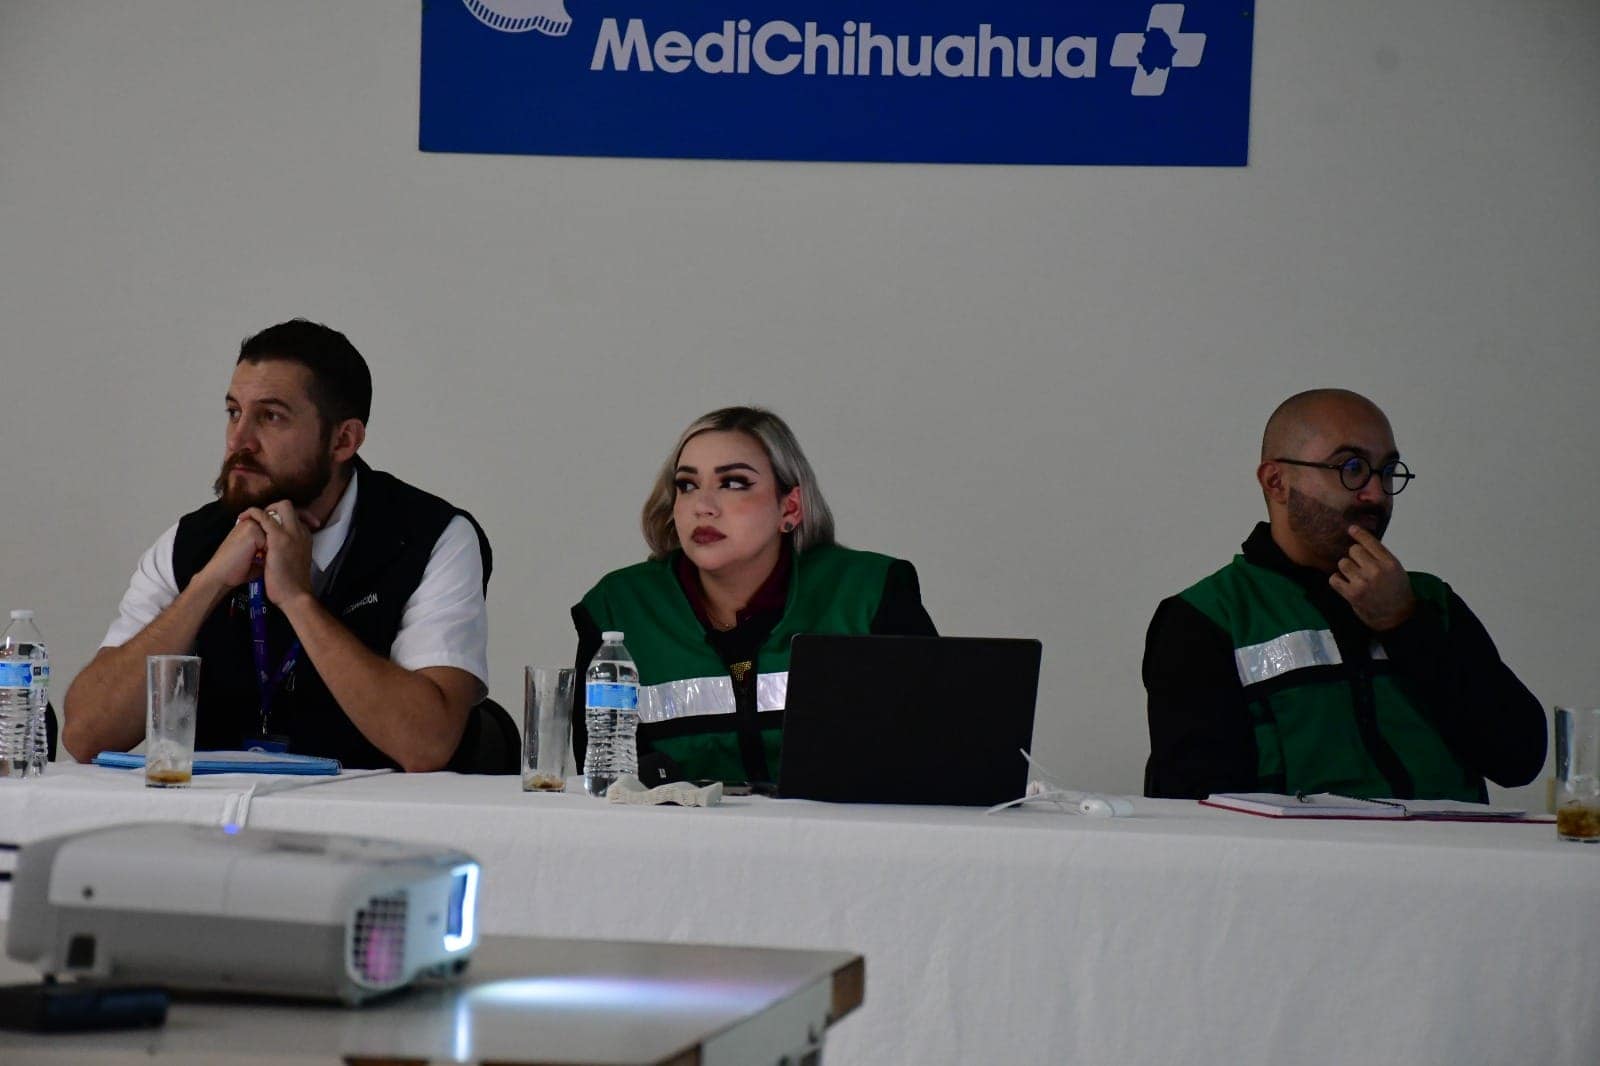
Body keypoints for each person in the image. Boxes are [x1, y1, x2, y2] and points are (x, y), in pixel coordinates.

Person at [63, 319, 514, 772]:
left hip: (371, 812)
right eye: (234, 412)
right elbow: (85, 735)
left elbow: (427, 744)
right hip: (218, 812)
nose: (238, 441)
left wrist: (298, 600)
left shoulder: (431, 538)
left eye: (271, 416)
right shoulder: (190, 542)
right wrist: (208, 584)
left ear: (343, 440)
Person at [1142, 388, 1546, 801]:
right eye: (1351, 467)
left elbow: (1520, 759)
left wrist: (1406, 625)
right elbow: (1200, 808)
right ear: (1277, 482)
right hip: (1305, 847)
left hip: (1455, 844)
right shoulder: (1207, 617)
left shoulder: (1429, 601)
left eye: (1387, 471)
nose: (1376, 494)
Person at [572, 406, 936, 784]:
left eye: (733, 483)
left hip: (849, 824)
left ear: (789, 507)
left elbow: (934, 753)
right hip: (679, 824)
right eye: (687, 485)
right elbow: (604, 780)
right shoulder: (620, 607)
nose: (703, 507)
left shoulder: (868, 594)